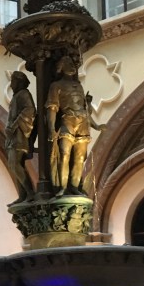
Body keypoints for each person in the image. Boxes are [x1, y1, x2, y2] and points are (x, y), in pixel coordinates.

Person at [46, 56, 105, 196]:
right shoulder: (56, 86)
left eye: (72, 63)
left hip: (82, 122)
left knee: (79, 157)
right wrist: (51, 129)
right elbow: (52, 108)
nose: (72, 66)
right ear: (61, 67)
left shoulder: (79, 86)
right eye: (68, 63)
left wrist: (96, 126)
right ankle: (62, 187)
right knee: (64, 154)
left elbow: (85, 110)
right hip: (68, 120)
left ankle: (74, 187)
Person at [4, 71, 36, 205]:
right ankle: (23, 195)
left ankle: (30, 192)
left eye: (13, 81)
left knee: (14, 164)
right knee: (14, 165)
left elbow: (30, 110)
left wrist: (13, 126)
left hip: (19, 135)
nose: (11, 84)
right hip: (13, 136)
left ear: (19, 82)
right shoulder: (17, 95)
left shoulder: (24, 94)